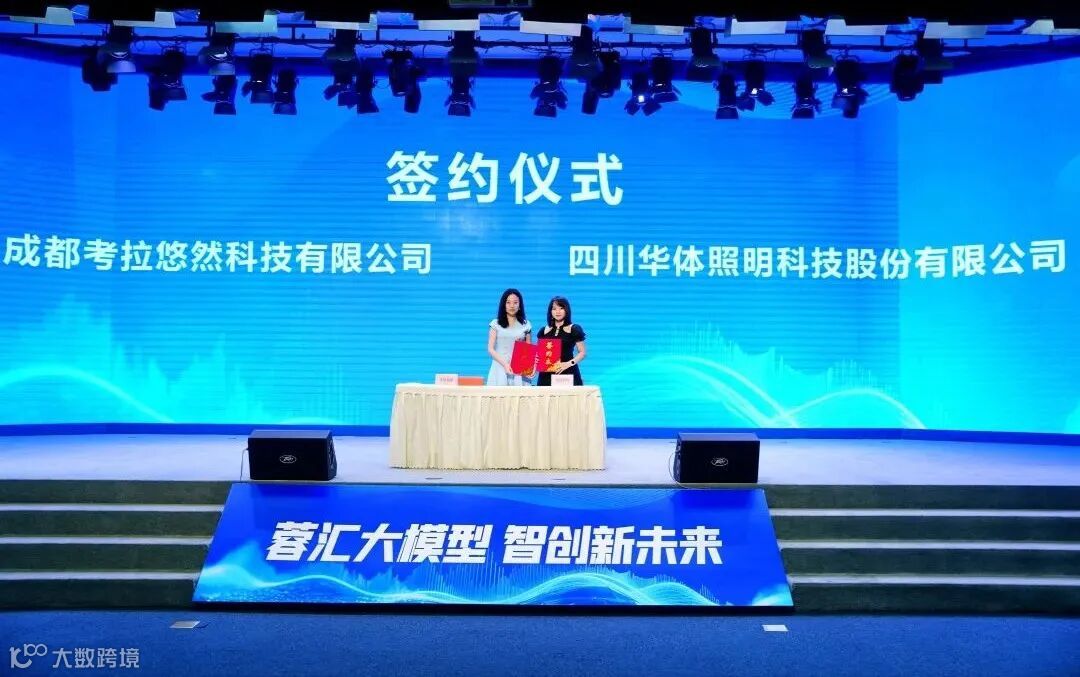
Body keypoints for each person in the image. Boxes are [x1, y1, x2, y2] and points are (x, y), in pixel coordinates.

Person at [486, 288, 533, 386]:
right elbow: (490, 349)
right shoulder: (495, 324)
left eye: (515, 302)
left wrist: (530, 368)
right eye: (508, 302)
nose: (512, 305)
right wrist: (505, 364)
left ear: (519, 305)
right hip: (499, 367)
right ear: (504, 305)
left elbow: (528, 350)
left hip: (519, 370)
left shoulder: (526, 325)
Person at [536, 296, 587, 386]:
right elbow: (539, 354)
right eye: (554, 309)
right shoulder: (544, 330)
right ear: (550, 311)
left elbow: (582, 352)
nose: (558, 312)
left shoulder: (574, 329)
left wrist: (568, 363)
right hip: (546, 375)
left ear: (566, 310)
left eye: (561, 308)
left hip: (567, 372)